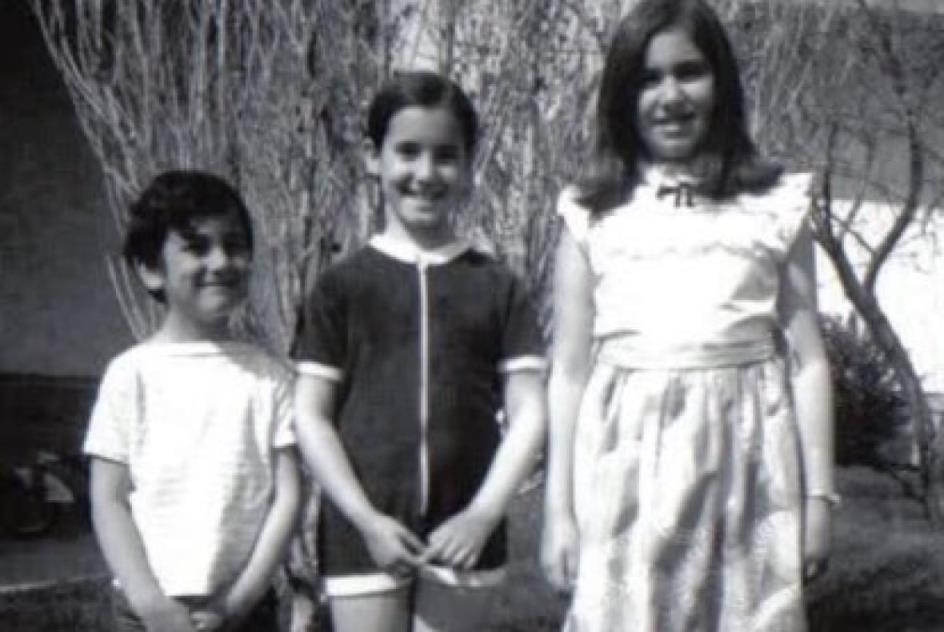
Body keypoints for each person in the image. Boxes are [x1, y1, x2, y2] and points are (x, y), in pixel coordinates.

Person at [540, 0, 836, 630]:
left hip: (748, 469)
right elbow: (567, 373)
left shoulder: (774, 205)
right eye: (648, 79)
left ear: (721, 83)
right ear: (622, 95)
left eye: (689, 72)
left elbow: (809, 362)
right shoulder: (592, 212)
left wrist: (818, 500)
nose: (670, 95)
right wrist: (558, 511)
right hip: (627, 468)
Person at [291, 70, 547, 632]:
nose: (426, 174)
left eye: (445, 156)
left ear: (468, 164)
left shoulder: (496, 286)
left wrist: (484, 513)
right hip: (366, 531)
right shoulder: (343, 286)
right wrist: (364, 518)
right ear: (372, 156)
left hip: (465, 532)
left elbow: (530, 413)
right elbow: (311, 416)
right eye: (407, 152)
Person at [84, 171, 301, 632]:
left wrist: (241, 599)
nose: (221, 261)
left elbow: (289, 495)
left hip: (242, 608)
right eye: (197, 247)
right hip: (145, 612)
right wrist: (150, 602)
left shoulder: (271, 377)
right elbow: (109, 498)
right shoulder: (130, 375)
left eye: (234, 244)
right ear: (150, 269)